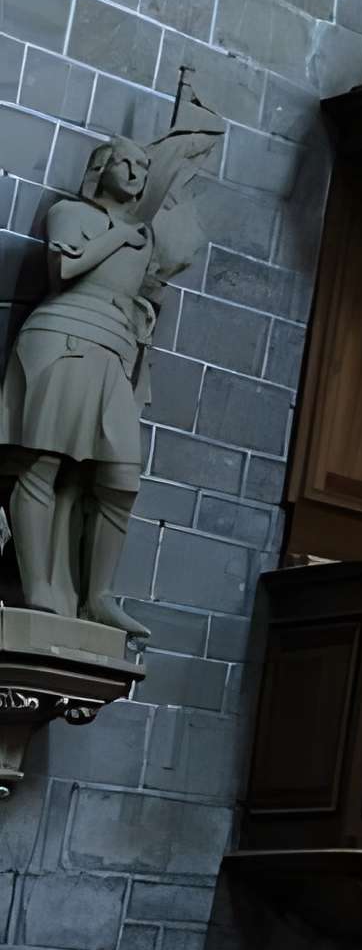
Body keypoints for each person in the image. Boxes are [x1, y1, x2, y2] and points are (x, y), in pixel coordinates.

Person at [2, 81, 221, 632]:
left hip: (113, 352)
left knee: (119, 476)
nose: (136, 172)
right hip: (63, 339)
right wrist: (120, 237)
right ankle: (37, 586)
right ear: (100, 169)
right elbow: (64, 268)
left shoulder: (141, 235)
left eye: (143, 167)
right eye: (125, 162)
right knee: (42, 463)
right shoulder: (72, 213)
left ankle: (97, 594)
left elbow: (145, 291)